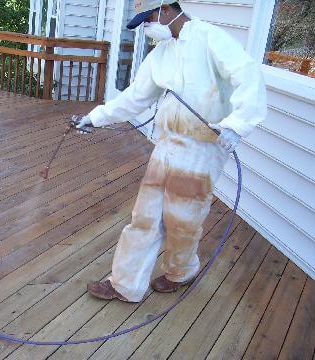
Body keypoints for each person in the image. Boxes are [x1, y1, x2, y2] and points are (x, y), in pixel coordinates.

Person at [76, 0, 267, 302]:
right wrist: (95, 117)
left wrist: (236, 124)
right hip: (166, 143)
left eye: (149, 19)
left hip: (202, 147)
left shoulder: (209, 38)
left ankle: (181, 271)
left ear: (165, 9)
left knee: (183, 219)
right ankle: (124, 283)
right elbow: (135, 97)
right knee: (144, 215)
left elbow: (247, 75)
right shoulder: (161, 54)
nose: (147, 28)